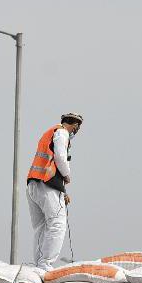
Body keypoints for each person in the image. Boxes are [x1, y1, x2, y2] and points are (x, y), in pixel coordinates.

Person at [26, 112, 83, 269]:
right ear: (75, 125)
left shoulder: (49, 133)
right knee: (57, 223)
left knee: (42, 227)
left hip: (34, 184)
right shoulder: (62, 133)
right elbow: (59, 157)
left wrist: (62, 192)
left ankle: (38, 264)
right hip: (47, 185)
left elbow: (49, 162)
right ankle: (45, 264)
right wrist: (67, 175)